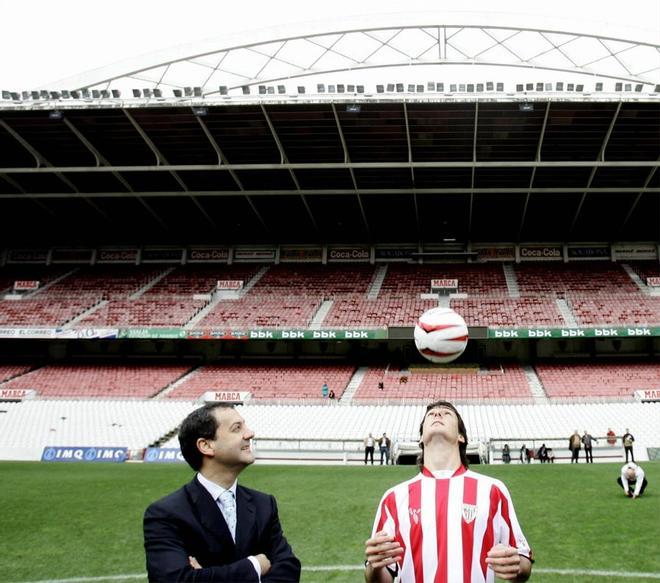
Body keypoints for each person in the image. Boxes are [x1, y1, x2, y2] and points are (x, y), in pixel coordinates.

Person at [364, 401, 532, 583]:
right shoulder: (394, 498)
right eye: (431, 414)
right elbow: (380, 579)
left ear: (461, 436)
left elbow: (523, 562)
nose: (437, 414)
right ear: (421, 438)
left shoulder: (492, 490)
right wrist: (375, 565)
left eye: (446, 413)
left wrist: (516, 565)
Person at [143, 403, 301, 582]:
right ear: (206, 445)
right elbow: (174, 580)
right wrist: (254, 566)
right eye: (237, 428)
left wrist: (204, 576)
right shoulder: (166, 514)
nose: (250, 433)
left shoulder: (264, 504)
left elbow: (289, 570)